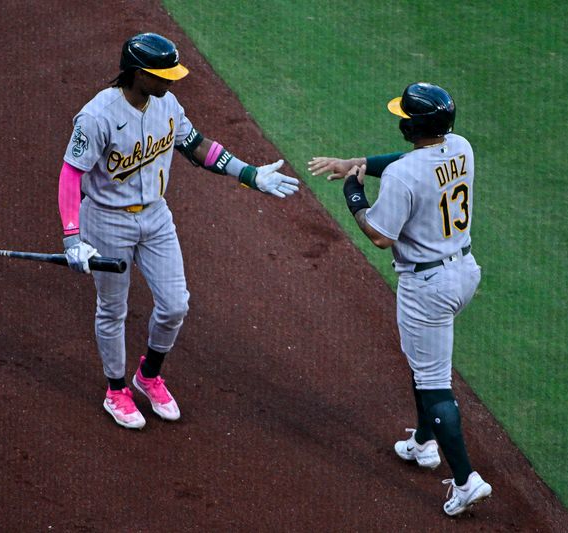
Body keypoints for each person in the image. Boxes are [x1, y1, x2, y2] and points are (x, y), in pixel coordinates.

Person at [58, 32, 299, 430]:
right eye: (162, 73)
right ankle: (116, 390)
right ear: (137, 74)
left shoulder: (166, 103)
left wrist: (251, 175)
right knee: (112, 309)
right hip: (106, 220)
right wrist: (73, 238)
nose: (171, 80)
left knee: (175, 305)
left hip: (155, 217)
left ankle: (148, 375)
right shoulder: (97, 116)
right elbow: (71, 173)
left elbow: (196, 145)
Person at [308, 82, 491, 516]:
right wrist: (359, 163)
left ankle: (466, 480)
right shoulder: (461, 146)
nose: (399, 119)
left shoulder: (404, 176)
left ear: (413, 124)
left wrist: (353, 195)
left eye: (404, 115)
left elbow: (379, 236)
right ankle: (424, 443)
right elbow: (413, 165)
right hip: (464, 272)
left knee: (433, 381)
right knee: (424, 363)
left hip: (427, 288)